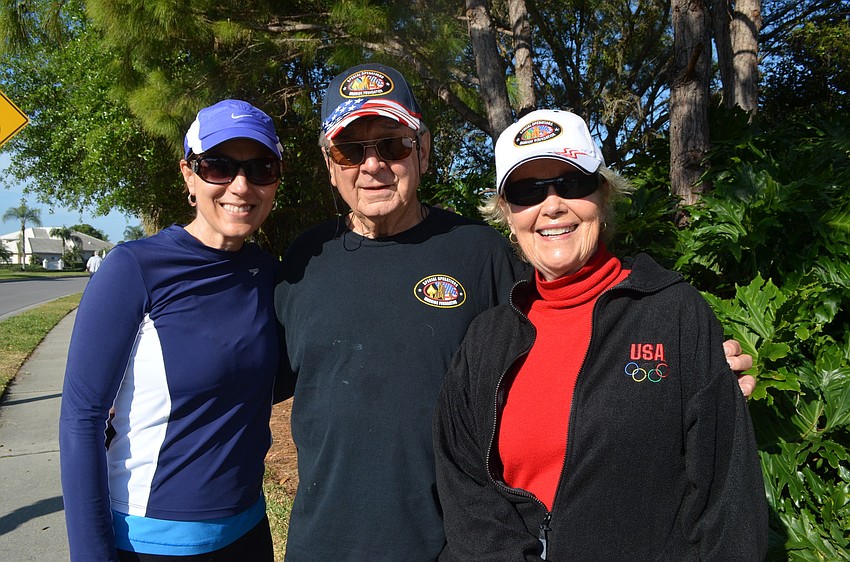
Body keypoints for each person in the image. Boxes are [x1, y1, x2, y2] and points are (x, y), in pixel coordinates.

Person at [274, 64, 756, 560]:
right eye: (349, 150)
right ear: (329, 163)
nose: (372, 164)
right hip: (326, 544)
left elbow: (570, 325)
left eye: (393, 144)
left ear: (423, 149)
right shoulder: (303, 261)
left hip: (443, 545)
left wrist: (693, 365)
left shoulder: (478, 253)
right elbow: (249, 379)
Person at [432, 109, 769, 560]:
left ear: (603, 195)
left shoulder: (674, 313)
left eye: (572, 183)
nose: (552, 205)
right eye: (527, 191)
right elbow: (465, 487)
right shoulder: (485, 339)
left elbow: (728, 500)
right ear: (507, 215)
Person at [60, 99, 284, 562]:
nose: (241, 185)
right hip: (149, 541)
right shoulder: (134, 269)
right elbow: (81, 420)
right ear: (189, 175)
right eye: (218, 166)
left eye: (260, 168)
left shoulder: (269, 274)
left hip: (249, 530)